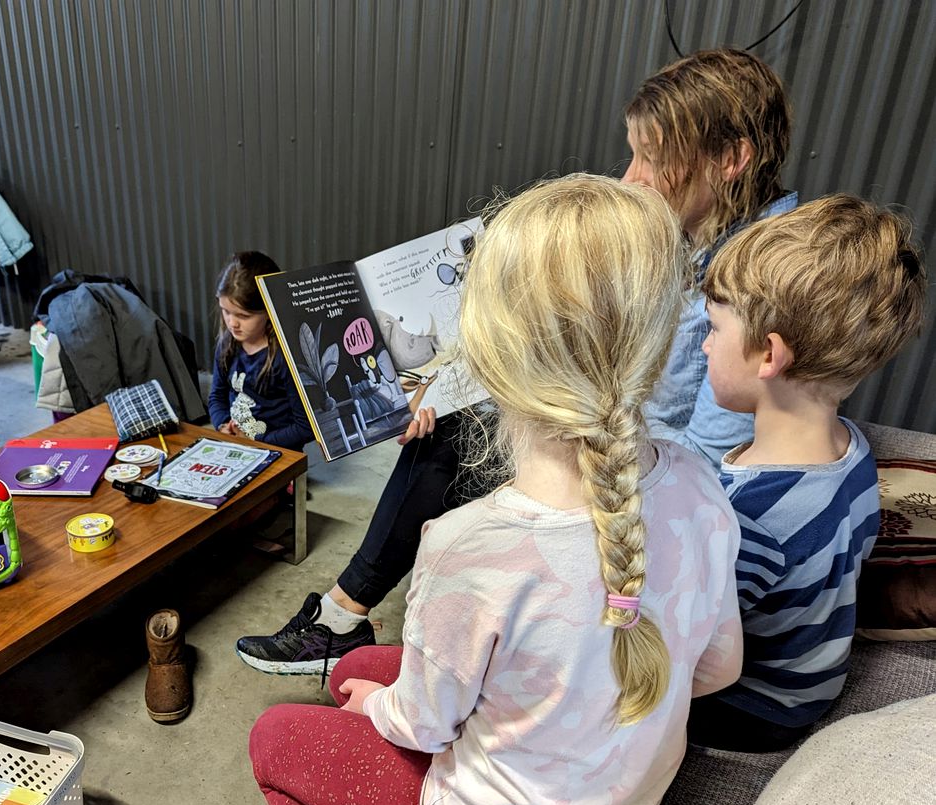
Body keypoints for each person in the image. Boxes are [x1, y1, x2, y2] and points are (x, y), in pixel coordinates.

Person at [249, 175, 743, 805]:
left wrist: (384, 709)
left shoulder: (469, 547)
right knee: (352, 669)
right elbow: (715, 671)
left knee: (276, 740)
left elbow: (419, 726)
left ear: (485, 351)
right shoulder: (699, 484)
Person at [236, 46, 794, 677]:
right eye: (633, 153)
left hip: (635, 471)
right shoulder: (691, 232)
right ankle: (346, 612)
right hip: (613, 427)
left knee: (454, 447)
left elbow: (698, 467)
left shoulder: (754, 282)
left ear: (731, 159)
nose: (631, 178)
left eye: (654, 160)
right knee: (448, 420)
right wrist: (448, 383)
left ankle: (346, 617)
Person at [686, 195, 926, 752]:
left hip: (753, 705)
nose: (704, 343)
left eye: (714, 327)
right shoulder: (852, 449)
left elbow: (697, 647)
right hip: (816, 681)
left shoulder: (746, 516)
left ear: (769, 356)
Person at [207, 251, 313, 451]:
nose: (232, 323)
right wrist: (223, 426)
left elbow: (306, 428)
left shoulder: (286, 357)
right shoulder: (227, 344)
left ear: (269, 310)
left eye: (243, 315)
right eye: (226, 311)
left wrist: (255, 442)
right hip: (235, 444)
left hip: (277, 452)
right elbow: (216, 396)